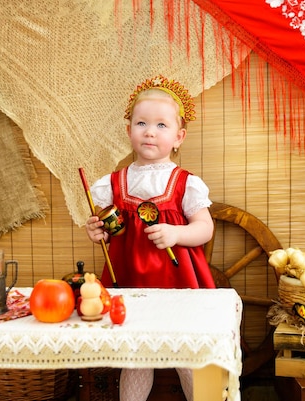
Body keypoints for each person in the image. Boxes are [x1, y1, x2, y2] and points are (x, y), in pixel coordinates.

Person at [85, 75, 216, 401]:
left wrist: (177, 233)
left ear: (178, 137)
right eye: (141, 123)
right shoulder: (112, 184)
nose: (149, 131)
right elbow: (107, 230)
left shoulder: (186, 183)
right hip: (130, 283)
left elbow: (205, 227)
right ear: (128, 129)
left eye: (161, 125)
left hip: (178, 283)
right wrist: (95, 231)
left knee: (188, 355)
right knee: (136, 356)